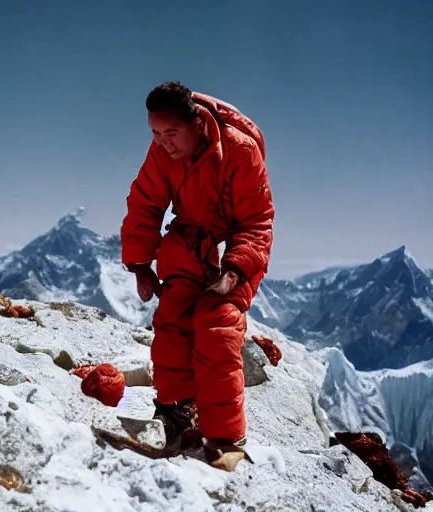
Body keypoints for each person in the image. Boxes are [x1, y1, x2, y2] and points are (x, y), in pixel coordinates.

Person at [120, 81, 274, 471]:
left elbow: (257, 222)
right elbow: (145, 202)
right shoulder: (161, 153)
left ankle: (226, 440)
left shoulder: (240, 150)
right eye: (155, 134)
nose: (164, 143)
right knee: (173, 316)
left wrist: (234, 271)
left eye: (171, 133)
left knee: (217, 322)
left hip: (241, 247)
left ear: (196, 125)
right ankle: (175, 411)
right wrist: (140, 264)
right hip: (191, 237)